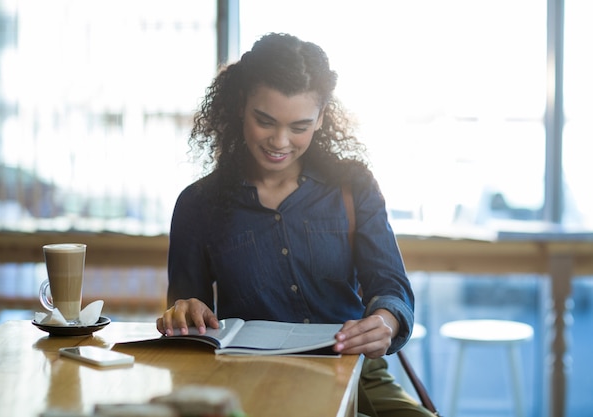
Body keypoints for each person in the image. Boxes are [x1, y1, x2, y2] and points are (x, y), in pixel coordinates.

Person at [157, 32, 433, 417]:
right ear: (240, 105)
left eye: (299, 126)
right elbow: (187, 313)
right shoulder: (197, 204)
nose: (280, 141)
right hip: (245, 377)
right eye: (265, 121)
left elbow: (390, 285)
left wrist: (385, 321)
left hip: (353, 370)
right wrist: (184, 312)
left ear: (321, 118)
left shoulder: (353, 187)